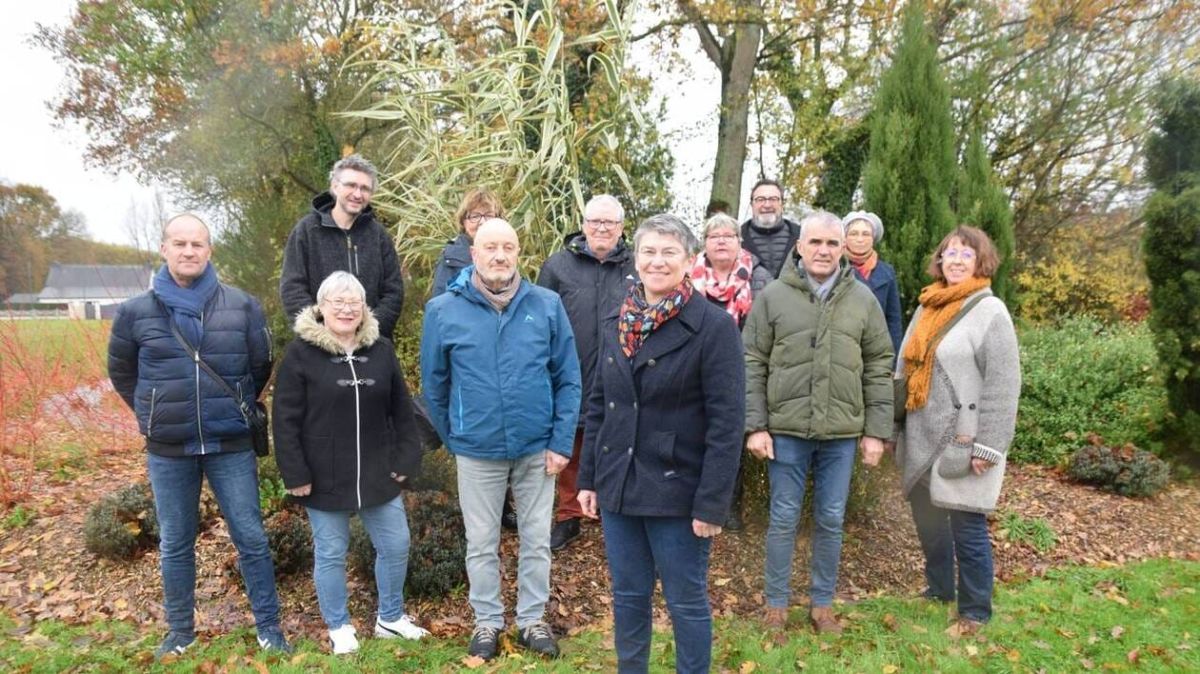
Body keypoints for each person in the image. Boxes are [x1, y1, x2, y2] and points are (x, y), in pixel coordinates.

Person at [107, 213, 290, 658]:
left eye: (198, 244)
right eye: (180, 243)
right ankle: (180, 632)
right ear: (164, 248)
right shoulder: (134, 312)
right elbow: (122, 373)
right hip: (169, 450)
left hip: (230, 444)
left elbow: (259, 365)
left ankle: (269, 627)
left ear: (210, 251)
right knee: (175, 541)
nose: (189, 251)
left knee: (250, 536)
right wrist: (155, 413)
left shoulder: (243, 306)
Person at [578, 213, 745, 674]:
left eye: (669, 252)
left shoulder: (714, 327)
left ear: (690, 260)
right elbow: (599, 403)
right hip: (619, 486)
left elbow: (727, 423)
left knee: (685, 599)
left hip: (679, 489)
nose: (657, 261)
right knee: (629, 596)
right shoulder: (617, 319)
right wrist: (590, 476)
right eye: (649, 251)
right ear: (635, 259)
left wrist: (712, 503)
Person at [420, 218, 581, 661]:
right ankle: (487, 623)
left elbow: (568, 377)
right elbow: (434, 385)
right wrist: (455, 437)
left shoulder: (546, 305)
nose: (499, 255)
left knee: (536, 539)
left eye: (508, 246)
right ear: (473, 253)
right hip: (477, 450)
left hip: (537, 449)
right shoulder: (443, 311)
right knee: (481, 542)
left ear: (518, 252)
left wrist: (561, 441)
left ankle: (532, 620)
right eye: (490, 246)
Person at [743, 210, 894, 634]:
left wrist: (877, 432)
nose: (824, 250)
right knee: (784, 517)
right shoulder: (773, 296)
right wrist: (756, 425)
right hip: (787, 430)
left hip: (842, 433)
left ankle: (822, 603)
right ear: (800, 247)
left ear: (843, 248)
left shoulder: (862, 299)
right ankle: (776, 604)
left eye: (832, 243)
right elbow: (752, 360)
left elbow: (879, 363)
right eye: (816, 243)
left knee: (830, 517)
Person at [272, 271, 429, 654]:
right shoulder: (300, 353)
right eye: (337, 302)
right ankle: (339, 625)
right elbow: (284, 418)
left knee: (396, 544)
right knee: (330, 552)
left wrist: (407, 458)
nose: (346, 309)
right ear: (321, 308)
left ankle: (390, 618)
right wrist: (295, 472)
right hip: (322, 474)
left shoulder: (381, 350)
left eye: (353, 302)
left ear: (363, 309)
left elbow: (402, 412)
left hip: (378, 471)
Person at [888, 225, 1020, 636]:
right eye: (950, 253)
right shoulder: (927, 306)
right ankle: (940, 589)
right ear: (939, 260)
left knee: (967, 526)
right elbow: (903, 369)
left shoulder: (990, 310)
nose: (957, 260)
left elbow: (1004, 383)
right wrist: (893, 426)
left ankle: (975, 611)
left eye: (967, 253)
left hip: (964, 439)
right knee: (928, 521)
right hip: (920, 434)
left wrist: (989, 446)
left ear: (981, 261)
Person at [537, 194, 637, 551]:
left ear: (621, 228)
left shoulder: (636, 267)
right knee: (572, 442)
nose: (602, 228)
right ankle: (569, 515)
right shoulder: (557, 267)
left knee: (616, 442)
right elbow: (540, 318)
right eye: (595, 221)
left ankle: (611, 513)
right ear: (583, 225)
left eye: (609, 223)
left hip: (623, 371)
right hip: (571, 367)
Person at [690, 212, 773, 532]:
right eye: (714, 236)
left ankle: (729, 505)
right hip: (695, 366)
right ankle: (693, 499)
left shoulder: (759, 277)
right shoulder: (687, 274)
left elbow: (766, 329)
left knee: (730, 436)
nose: (721, 241)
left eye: (728, 236)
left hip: (740, 365)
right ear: (705, 243)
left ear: (739, 242)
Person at [280, 154, 405, 339]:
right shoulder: (307, 231)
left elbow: (393, 290)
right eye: (351, 185)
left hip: (372, 348)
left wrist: (368, 332)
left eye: (365, 188)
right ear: (335, 186)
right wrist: (323, 332)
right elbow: (292, 288)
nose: (357, 194)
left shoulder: (378, 235)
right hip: (319, 347)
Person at [842, 210, 903, 357]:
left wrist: (893, 359)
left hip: (876, 351)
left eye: (866, 234)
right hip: (844, 349)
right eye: (854, 233)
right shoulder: (836, 268)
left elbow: (893, 319)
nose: (860, 239)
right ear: (844, 238)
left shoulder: (887, 271)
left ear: (873, 238)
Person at [431, 187, 506, 298]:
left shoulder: (507, 255)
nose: (482, 222)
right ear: (463, 222)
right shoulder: (450, 258)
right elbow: (440, 306)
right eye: (475, 216)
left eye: (489, 215)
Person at [739, 178, 801, 279]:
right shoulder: (736, 238)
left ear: (782, 204)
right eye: (760, 199)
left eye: (773, 199)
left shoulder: (802, 236)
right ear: (752, 204)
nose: (767, 205)